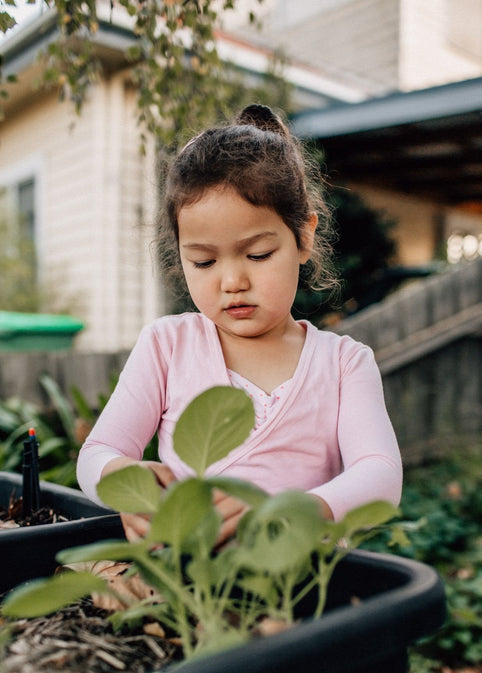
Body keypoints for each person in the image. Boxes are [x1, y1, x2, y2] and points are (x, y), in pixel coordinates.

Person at [77, 104, 402, 546]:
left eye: (258, 255)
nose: (232, 282)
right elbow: (96, 455)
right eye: (204, 261)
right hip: (190, 585)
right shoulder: (168, 346)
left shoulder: (343, 363)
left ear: (304, 237)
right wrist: (124, 480)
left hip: (299, 592)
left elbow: (381, 475)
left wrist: (296, 512)